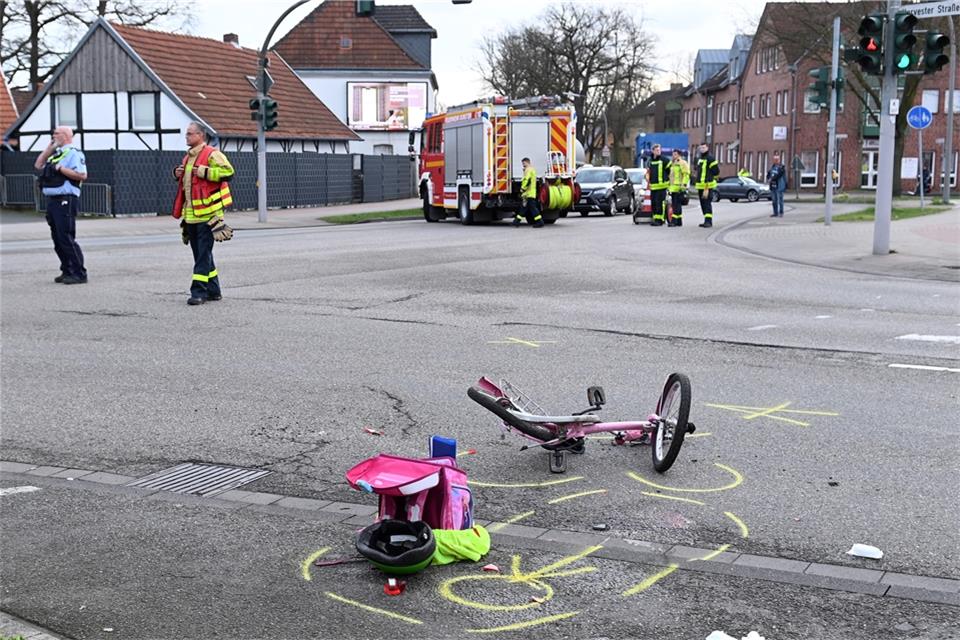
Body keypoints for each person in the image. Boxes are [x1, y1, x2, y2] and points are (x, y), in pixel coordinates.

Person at [173, 122, 235, 305]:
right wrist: (177, 174)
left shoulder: (212, 154)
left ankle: (198, 292)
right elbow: (188, 186)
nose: (187, 137)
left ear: (200, 135)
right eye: (186, 134)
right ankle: (214, 290)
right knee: (202, 254)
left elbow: (229, 172)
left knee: (202, 254)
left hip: (209, 215)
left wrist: (202, 171)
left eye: (190, 134)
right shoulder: (187, 157)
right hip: (192, 215)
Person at [34, 126, 88, 284]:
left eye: (56, 133)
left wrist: (61, 169)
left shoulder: (74, 153)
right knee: (57, 238)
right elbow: (38, 165)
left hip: (66, 199)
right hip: (53, 200)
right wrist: (49, 148)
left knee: (66, 237)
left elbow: (82, 175)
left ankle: (79, 273)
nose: (53, 135)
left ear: (65, 136)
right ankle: (67, 270)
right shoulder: (56, 153)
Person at [512, 157, 544, 228]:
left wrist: (522, 189)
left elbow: (527, 180)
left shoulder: (528, 170)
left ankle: (540, 222)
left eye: (523, 163)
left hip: (529, 193)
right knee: (524, 208)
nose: (523, 165)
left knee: (532, 208)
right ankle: (516, 221)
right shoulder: (531, 169)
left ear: (527, 162)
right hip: (529, 193)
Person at [694, 143, 719, 228]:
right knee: (702, 203)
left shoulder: (710, 158)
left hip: (707, 185)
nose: (702, 149)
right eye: (701, 148)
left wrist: (710, 178)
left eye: (704, 147)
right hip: (700, 185)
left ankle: (708, 221)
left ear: (707, 148)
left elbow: (716, 171)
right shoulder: (700, 158)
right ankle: (706, 220)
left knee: (707, 203)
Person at [646, 144, 669, 226]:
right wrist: (647, 178)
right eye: (656, 150)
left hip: (662, 186)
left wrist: (668, 182)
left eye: (659, 150)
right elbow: (648, 172)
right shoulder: (651, 161)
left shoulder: (665, 160)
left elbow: (670, 172)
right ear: (653, 151)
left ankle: (660, 220)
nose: (658, 151)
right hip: (654, 186)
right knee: (654, 204)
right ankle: (656, 219)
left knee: (660, 204)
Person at [667, 149, 690, 227]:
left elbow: (686, 174)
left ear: (679, 155)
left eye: (675, 154)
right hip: (673, 188)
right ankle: (679, 221)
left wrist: (684, 185)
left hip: (679, 187)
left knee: (676, 205)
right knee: (676, 205)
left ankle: (674, 221)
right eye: (673, 154)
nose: (673, 156)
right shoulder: (672, 164)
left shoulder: (682, 163)